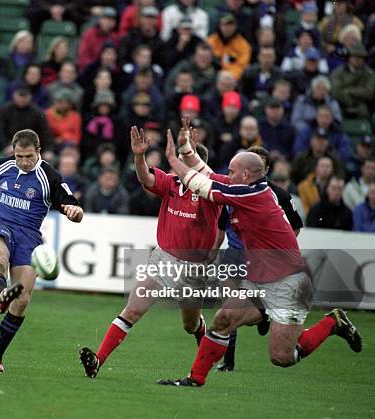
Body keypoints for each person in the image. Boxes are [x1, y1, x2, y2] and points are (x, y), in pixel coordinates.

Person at [157, 131, 362, 387]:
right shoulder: (247, 187)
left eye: (232, 171)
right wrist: (186, 148)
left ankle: (334, 322)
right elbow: (207, 173)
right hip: (258, 278)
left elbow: (202, 184)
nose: (227, 175)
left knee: (282, 357)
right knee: (223, 320)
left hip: (289, 283)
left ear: (245, 175)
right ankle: (195, 379)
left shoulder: (252, 195)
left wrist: (171, 160)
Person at [79, 122, 221, 379]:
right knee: (132, 310)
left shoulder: (212, 191)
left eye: (184, 159)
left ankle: (205, 353)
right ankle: (97, 361)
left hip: (193, 268)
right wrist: (138, 155)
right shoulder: (171, 182)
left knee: (190, 324)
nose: (177, 164)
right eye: (178, 159)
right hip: (163, 258)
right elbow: (145, 178)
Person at [0, 129, 83, 374]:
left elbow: (72, 205)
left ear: (39, 152)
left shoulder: (50, 177)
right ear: (13, 152)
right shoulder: (2, 167)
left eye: (29, 157)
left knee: (22, 300)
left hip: (29, 237)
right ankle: (3, 293)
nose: (23, 162)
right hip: (2, 226)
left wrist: (76, 212)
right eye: (19, 156)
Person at [215, 145, 304, 372]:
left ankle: (262, 315)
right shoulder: (233, 191)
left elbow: (294, 227)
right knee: (228, 306)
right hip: (234, 254)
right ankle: (228, 361)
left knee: (242, 309)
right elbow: (222, 225)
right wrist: (213, 251)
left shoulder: (277, 195)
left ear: (262, 169)